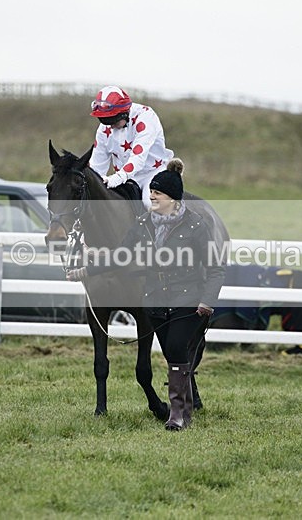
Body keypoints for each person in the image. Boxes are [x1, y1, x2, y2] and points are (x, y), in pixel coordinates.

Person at [66, 159, 225, 431]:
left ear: (172, 198)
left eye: (157, 193)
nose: (151, 196)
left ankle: (178, 414)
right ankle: (185, 406)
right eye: (150, 192)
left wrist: (207, 300)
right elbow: (120, 256)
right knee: (172, 352)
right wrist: (86, 271)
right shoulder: (144, 224)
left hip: (187, 296)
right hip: (156, 298)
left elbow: (214, 267)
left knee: (176, 348)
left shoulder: (195, 225)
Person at [88, 85, 175, 209]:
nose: (110, 127)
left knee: (149, 202)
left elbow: (138, 158)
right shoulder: (104, 129)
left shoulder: (146, 118)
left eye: (113, 121)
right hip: (125, 177)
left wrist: (117, 178)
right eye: (105, 121)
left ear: (124, 113)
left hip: (152, 173)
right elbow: (97, 166)